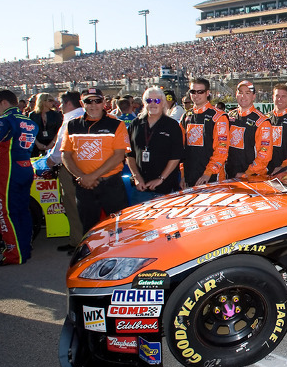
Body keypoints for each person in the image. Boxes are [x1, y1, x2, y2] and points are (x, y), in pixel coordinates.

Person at [61, 88, 130, 234]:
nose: (93, 105)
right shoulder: (72, 125)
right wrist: (81, 177)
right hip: (84, 186)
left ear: (104, 102)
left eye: (97, 101)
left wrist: (91, 177)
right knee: (89, 230)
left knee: (119, 228)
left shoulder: (117, 124)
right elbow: (66, 155)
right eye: (88, 101)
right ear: (82, 103)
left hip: (110, 185)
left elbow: (119, 155)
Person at [0, 89, 39, 266]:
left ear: (4, 103)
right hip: (26, 167)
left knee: (4, 212)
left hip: (8, 170)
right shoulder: (29, 120)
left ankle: (14, 254)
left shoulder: (4, 120)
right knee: (22, 211)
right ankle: (23, 249)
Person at [126, 87, 185, 203]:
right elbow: (129, 153)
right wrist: (137, 177)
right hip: (140, 188)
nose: (152, 104)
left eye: (157, 101)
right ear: (144, 103)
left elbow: (176, 156)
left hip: (166, 188)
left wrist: (160, 179)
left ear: (163, 103)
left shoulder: (172, 125)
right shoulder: (135, 124)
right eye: (149, 101)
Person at [48, 91, 86, 253]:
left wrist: (51, 160)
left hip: (70, 166)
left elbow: (61, 148)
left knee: (72, 204)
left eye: (61, 104)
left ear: (69, 104)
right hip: (84, 166)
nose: (60, 107)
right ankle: (76, 239)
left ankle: (78, 241)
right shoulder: (83, 116)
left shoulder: (70, 119)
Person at [180, 78, 229, 187]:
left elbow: (222, 149)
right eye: (193, 92)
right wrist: (182, 174)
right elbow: (181, 148)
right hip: (189, 177)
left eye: (200, 92)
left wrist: (208, 173)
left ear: (207, 93)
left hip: (212, 178)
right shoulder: (186, 116)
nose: (196, 95)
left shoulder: (218, 117)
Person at [225, 80, 271, 179]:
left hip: (251, 177)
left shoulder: (261, 121)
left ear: (253, 96)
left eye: (247, 93)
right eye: (240, 93)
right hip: (229, 175)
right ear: (236, 95)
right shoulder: (229, 117)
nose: (243, 96)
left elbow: (264, 154)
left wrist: (248, 173)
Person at [28, 92, 62, 157]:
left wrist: (52, 144)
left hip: (52, 143)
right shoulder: (32, 115)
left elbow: (59, 131)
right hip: (37, 144)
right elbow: (30, 131)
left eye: (53, 101)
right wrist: (37, 143)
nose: (52, 103)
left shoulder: (56, 114)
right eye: (50, 100)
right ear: (43, 101)